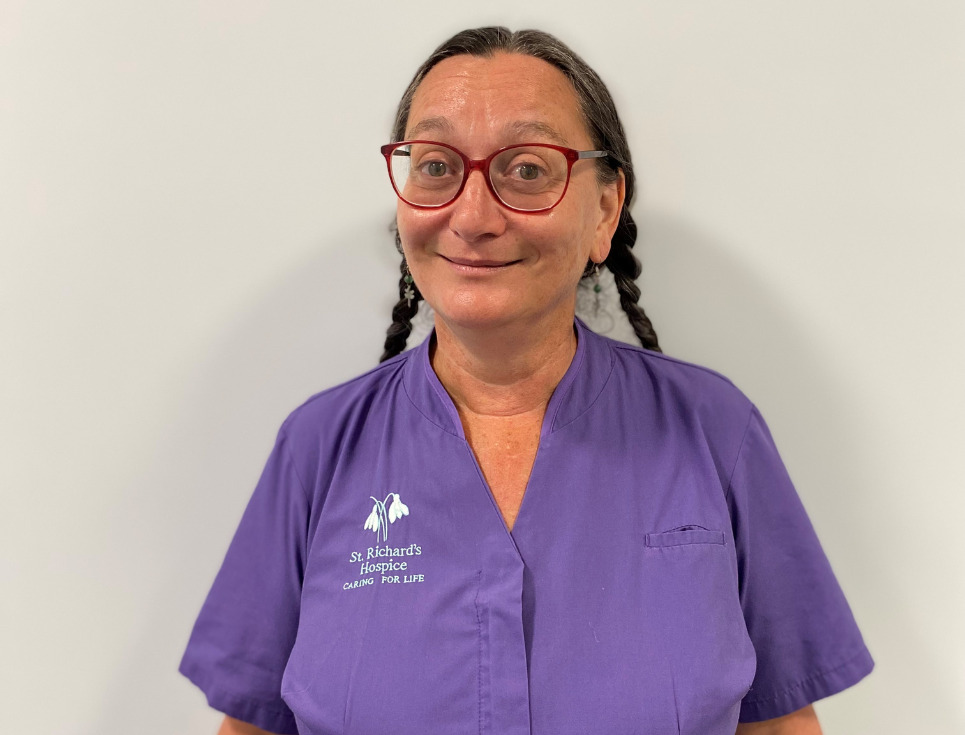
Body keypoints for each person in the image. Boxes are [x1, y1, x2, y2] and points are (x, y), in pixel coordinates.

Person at [180, 27, 873, 735]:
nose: (473, 216)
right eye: (436, 166)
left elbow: (781, 723)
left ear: (603, 210)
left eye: (528, 169)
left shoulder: (715, 432)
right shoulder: (318, 448)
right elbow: (252, 724)